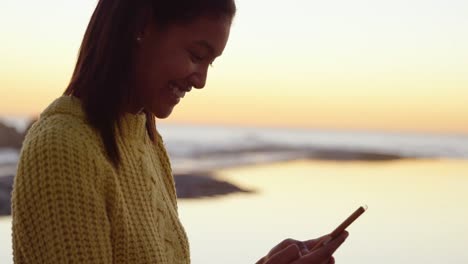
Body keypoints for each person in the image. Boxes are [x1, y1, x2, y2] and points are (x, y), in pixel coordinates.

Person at [11, 0, 349, 263]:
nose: (200, 80)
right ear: (142, 26)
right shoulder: (63, 149)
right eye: (196, 55)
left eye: (209, 62)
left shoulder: (146, 141)